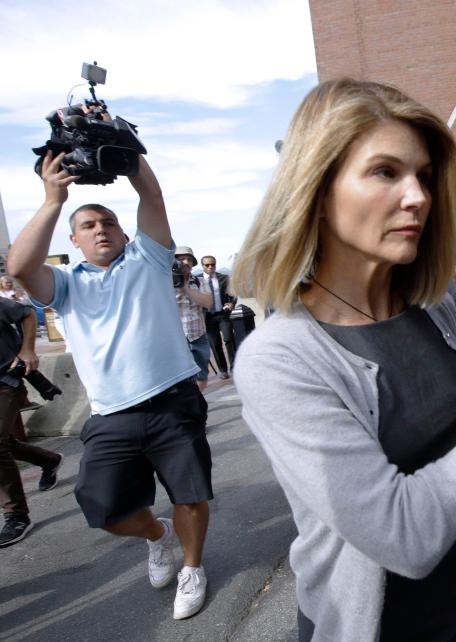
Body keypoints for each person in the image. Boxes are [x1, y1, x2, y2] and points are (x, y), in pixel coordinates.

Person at [231, 78, 456, 642]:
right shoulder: (279, 358)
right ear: (317, 188)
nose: (418, 196)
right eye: (385, 172)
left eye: (423, 177)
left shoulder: (428, 311)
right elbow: (405, 535)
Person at [8, 139, 214, 620]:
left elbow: (152, 199)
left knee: (191, 494)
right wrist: (53, 200)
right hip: (112, 414)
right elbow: (19, 267)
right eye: (88, 226)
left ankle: (193, 567)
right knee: (107, 511)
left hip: (172, 401)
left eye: (108, 223)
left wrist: (124, 149)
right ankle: (158, 535)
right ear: (74, 241)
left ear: (123, 233)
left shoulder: (148, 258)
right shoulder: (65, 285)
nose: (100, 229)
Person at [0, 297, 62, 547]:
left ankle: (16, 515)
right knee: (5, 444)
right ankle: (49, 460)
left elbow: (26, 313)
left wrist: (27, 349)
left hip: (6, 381)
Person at [174, 247, 214, 392]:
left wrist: (186, 288)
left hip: (198, 335)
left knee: (202, 375)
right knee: (180, 379)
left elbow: (208, 303)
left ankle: (198, 400)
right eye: (181, 258)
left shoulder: (199, 282)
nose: (186, 262)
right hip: (176, 339)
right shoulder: (164, 282)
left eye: (189, 259)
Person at [200, 255, 236, 379]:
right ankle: (223, 370)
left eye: (213, 264)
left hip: (223, 314)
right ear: (202, 266)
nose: (210, 267)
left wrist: (232, 302)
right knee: (215, 344)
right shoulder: (197, 280)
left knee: (229, 339)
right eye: (207, 265)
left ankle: (234, 367)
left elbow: (233, 292)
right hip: (208, 317)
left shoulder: (223, 278)